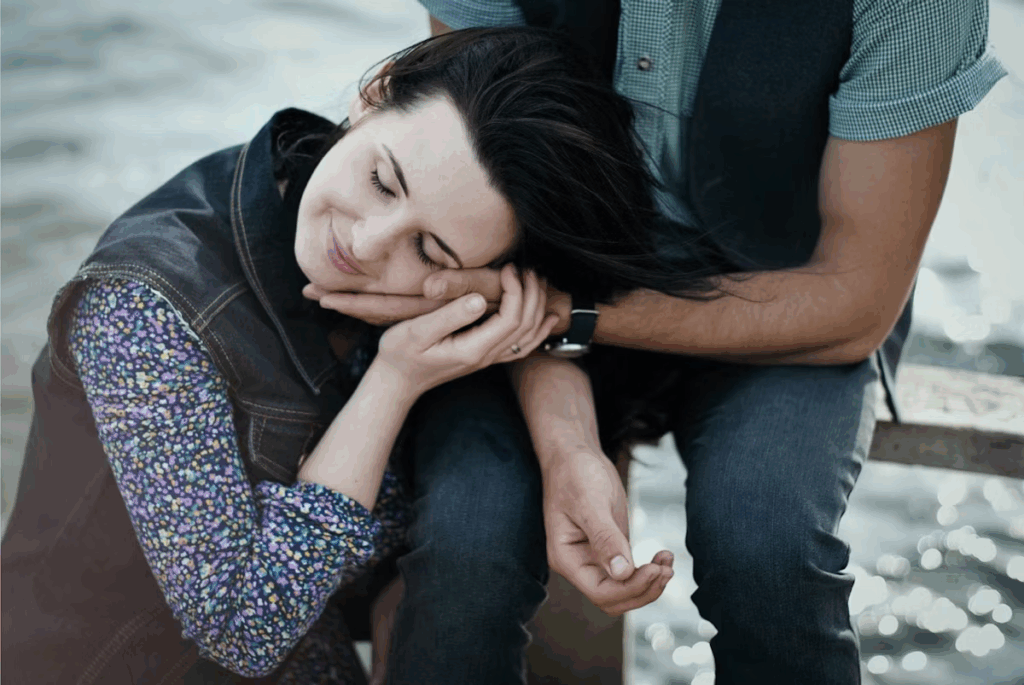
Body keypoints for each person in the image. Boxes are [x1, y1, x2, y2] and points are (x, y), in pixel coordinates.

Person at [310, 2, 1008, 683]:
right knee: (469, 537)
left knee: (767, 544)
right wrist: (569, 441)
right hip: (536, 281)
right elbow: (480, 217)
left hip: (794, 306)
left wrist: (574, 316)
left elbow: (853, 301)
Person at [0, 27, 714, 684]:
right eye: (382, 181)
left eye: (428, 249)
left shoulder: (440, 307)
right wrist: (393, 379)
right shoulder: (149, 307)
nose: (366, 244)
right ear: (372, 99)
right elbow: (246, 628)